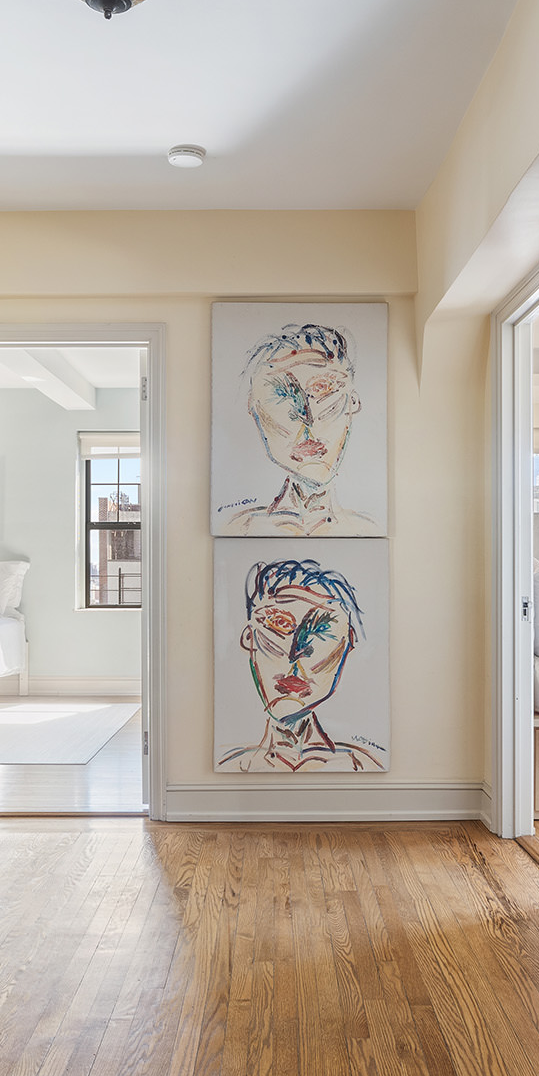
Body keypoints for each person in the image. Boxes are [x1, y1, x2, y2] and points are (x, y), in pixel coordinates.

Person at [220, 558, 386, 772]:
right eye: (277, 624)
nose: (295, 654)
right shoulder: (236, 766)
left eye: (322, 631)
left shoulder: (361, 766)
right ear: (248, 637)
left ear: (348, 643)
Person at [218, 322, 378, 535]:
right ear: (254, 408)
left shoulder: (367, 530)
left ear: (353, 402)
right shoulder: (240, 529)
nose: (307, 420)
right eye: (280, 397)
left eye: (324, 390)